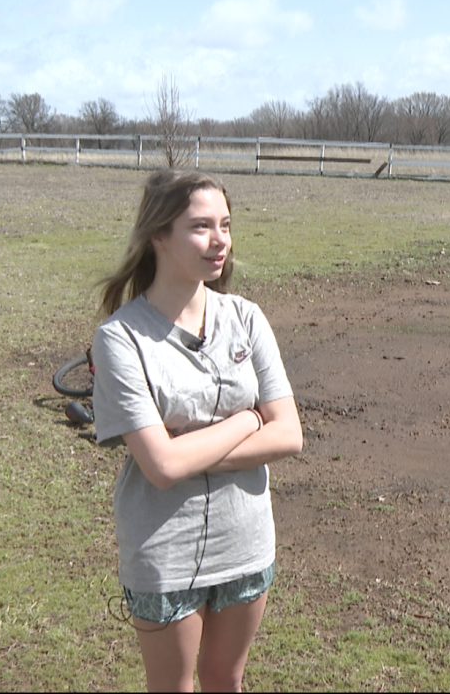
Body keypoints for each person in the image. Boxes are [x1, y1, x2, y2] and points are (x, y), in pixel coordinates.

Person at [91, 169, 303, 692]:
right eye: (200, 227)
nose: (220, 241)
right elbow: (161, 470)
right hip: (165, 549)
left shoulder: (247, 319)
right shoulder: (120, 339)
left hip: (246, 540)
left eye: (225, 225)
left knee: (225, 679)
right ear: (158, 236)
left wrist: (187, 447)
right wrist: (249, 420)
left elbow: (290, 435)